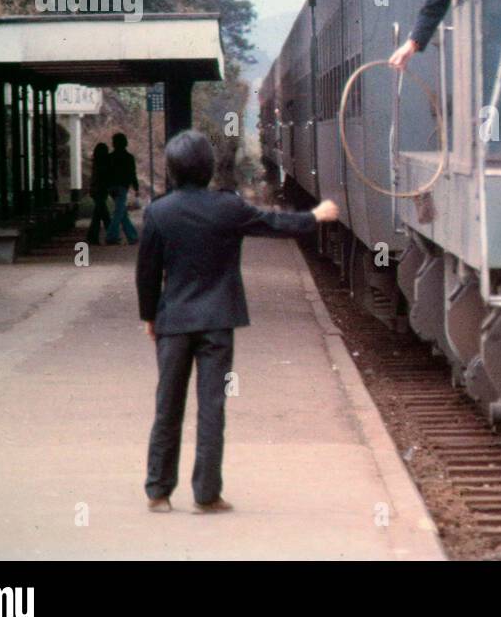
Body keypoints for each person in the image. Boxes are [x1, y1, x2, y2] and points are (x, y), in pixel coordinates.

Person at [137, 129, 339, 514]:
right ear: (210, 168)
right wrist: (315, 216)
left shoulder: (158, 212)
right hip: (217, 322)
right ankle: (206, 495)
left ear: (172, 169)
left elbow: (147, 273)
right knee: (212, 407)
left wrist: (150, 316)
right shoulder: (227, 208)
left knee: (167, 405)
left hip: (173, 322)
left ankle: (158, 491)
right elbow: (273, 225)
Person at [105, 132, 140, 245]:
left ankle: (132, 236)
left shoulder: (109, 157)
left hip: (111, 187)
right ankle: (111, 236)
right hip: (122, 187)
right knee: (118, 213)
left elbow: (106, 173)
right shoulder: (129, 157)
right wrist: (136, 187)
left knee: (121, 212)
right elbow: (132, 173)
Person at [85, 142, 111, 245]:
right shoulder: (103, 164)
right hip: (101, 191)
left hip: (96, 191)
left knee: (99, 214)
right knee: (104, 215)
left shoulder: (96, 162)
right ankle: (110, 234)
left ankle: (93, 236)